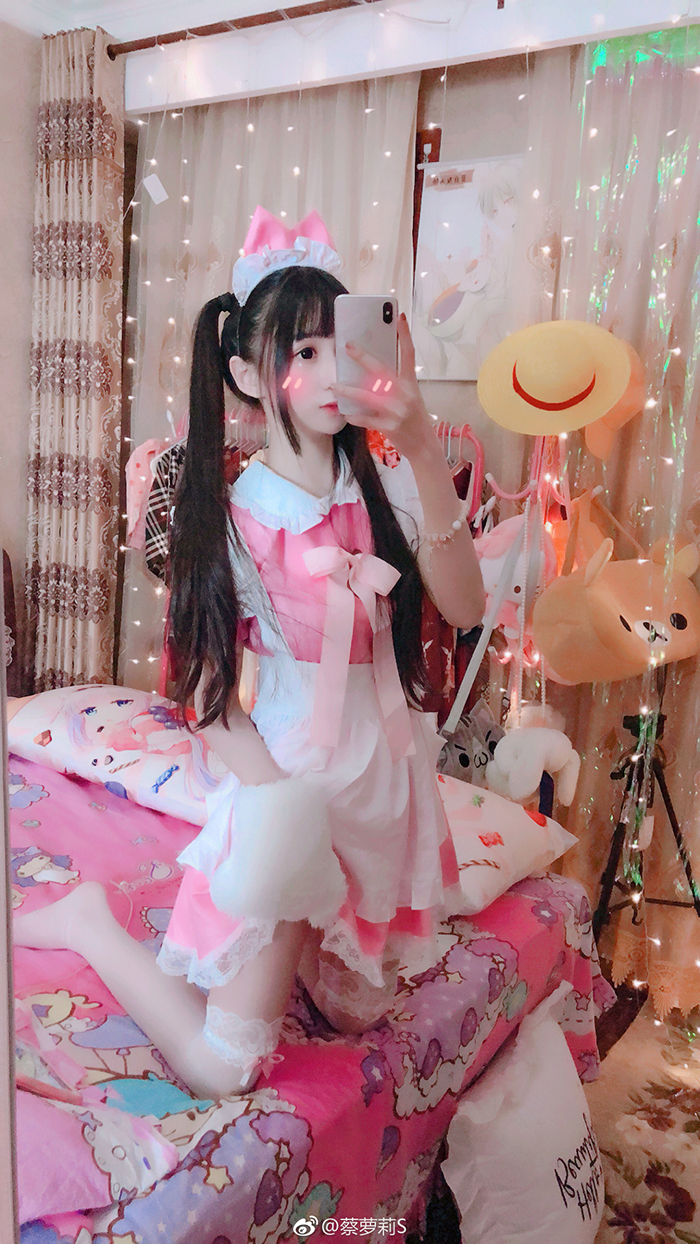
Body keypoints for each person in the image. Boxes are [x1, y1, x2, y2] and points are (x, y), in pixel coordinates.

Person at [14, 210, 485, 1099]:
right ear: (246, 374)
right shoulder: (233, 520)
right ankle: (87, 923)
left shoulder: (387, 486)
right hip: (291, 792)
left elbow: (465, 608)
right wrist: (281, 819)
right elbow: (204, 693)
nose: (329, 368)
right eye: (301, 350)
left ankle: (303, 939)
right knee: (224, 1069)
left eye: (339, 342)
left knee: (355, 1015)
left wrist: (424, 445)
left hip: (381, 791)